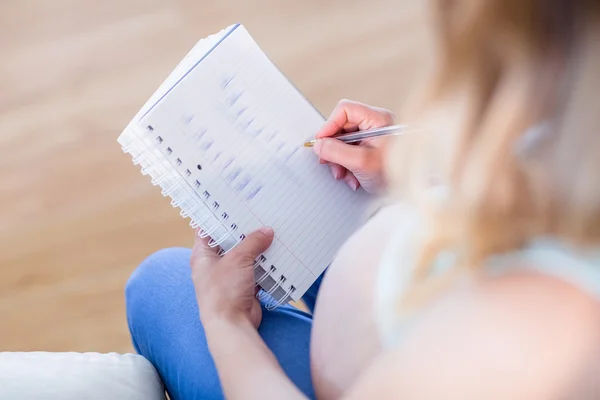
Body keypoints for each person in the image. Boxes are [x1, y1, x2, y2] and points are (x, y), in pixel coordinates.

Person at [125, 0, 600, 398]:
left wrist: (225, 323)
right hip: (419, 281)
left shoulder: (556, 332)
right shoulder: (576, 139)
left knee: (159, 287)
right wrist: (418, 177)